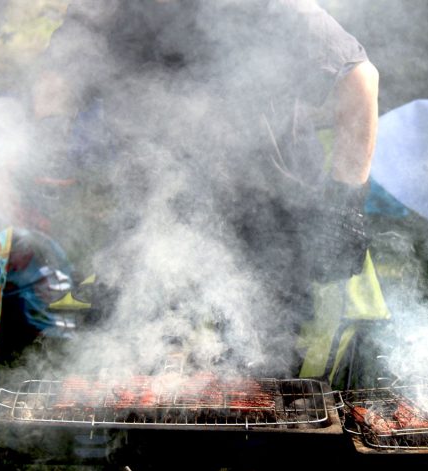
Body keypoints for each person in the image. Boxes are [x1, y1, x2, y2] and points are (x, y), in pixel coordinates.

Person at [28, 0, 388, 382]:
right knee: (137, 350)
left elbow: (358, 76)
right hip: (153, 204)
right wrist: (50, 144)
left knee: (263, 363)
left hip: (270, 209)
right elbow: (59, 74)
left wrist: (347, 203)